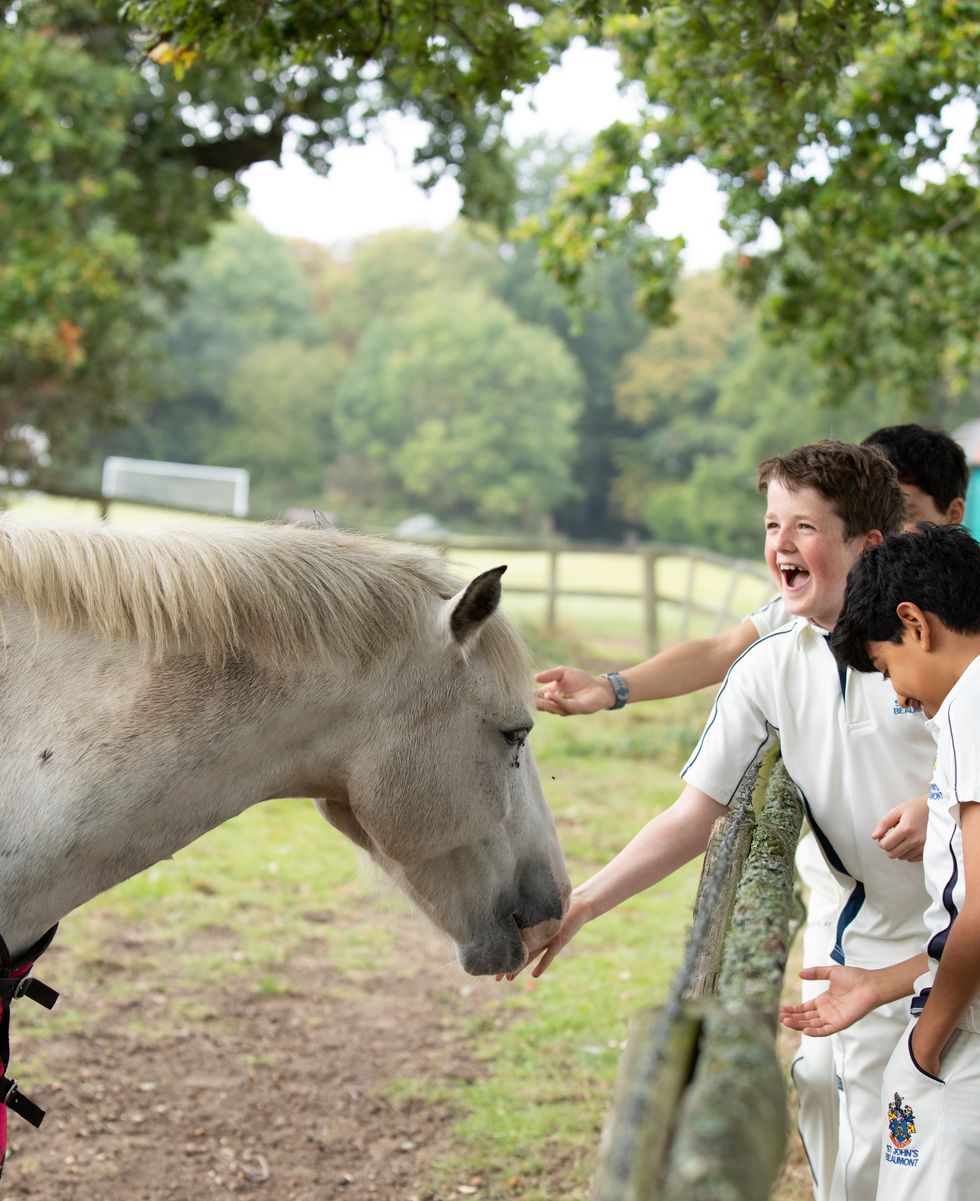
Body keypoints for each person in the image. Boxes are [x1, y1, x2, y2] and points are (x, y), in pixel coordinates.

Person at [532, 425, 968, 1201]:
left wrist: (935, 808)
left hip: (958, 944)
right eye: (773, 525)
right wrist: (584, 902)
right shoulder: (772, 663)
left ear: (869, 541)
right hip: (855, 962)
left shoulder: (930, 646)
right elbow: (691, 815)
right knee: (849, 1168)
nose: (783, 543)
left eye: (805, 526)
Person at [781, 522, 980, 1200]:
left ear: (914, 624)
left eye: (890, 668)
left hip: (962, 1051)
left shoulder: (969, 709)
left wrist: (925, 1043)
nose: (898, 695)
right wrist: (881, 983)